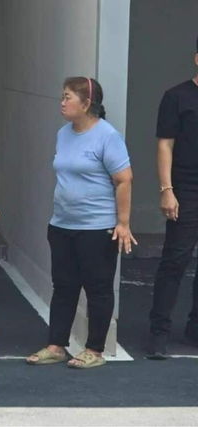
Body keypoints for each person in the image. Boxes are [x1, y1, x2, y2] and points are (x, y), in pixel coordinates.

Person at [26, 77, 136, 369]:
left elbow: (124, 180)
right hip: (62, 225)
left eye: (67, 97)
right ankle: (56, 345)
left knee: (98, 288)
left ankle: (94, 350)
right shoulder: (63, 134)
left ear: (86, 104)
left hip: (97, 228)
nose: (62, 103)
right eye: (62, 97)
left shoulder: (108, 136)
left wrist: (123, 223)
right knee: (63, 286)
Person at [147, 37, 198, 359]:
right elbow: (165, 145)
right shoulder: (177, 97)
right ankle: (158, 332)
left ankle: (195, 329)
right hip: (186, 188)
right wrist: (167, 190)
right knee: (175, 260)